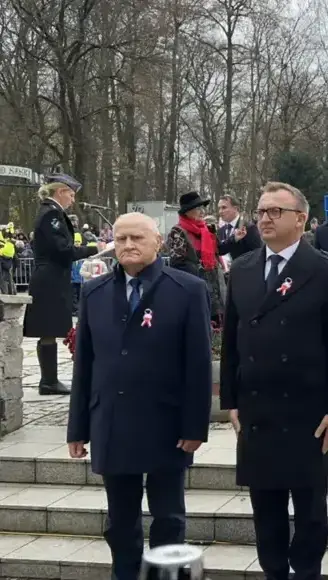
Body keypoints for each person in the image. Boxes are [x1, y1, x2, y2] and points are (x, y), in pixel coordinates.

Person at [220, 181, 328, 580]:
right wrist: (231, 400)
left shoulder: (327, 270)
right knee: (265, 507)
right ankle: (274, 572)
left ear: (300, 219)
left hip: (308, 411)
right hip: (257, 409)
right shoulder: (244, 268)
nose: (264, 218)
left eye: (275, 211)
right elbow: (231, 340)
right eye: (261, 211)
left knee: (311, 509)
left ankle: (307, 572)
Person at [66, 213, 211, 580]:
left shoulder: (187, 290)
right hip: (112, 422)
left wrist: (196, 425)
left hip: (166, 422)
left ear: (157, 242)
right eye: (121, 238)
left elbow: (197, 364)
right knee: (120, 521)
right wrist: (77, 428)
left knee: (168, 517)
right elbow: (85, 365)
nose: (128, 245)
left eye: (137, 238)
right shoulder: (94, 293)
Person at [23, 174, 100, 395]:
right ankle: (48, 381)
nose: (73, 200)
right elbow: (62, 250)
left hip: (52, 277)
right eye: (71, 194)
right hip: (50, 279)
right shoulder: (51, 215)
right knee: (47, 327)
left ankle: (49, 380)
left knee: (49, 329)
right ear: (60, 192)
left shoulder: (51, 213)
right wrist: (94, 248)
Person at [166, 191, 224, 318]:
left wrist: (235, 239)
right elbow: (177, 263)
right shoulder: (178, 231)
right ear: (188, 211)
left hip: (213, 284)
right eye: (198, 208)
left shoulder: (207, 229)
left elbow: (219, 250)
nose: (202, 212)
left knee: (216, 322)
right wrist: (199, 271)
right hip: (194, 285)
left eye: (202, 208)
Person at [216, 194, 261, 262]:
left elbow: (258, 255)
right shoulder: (220, 231)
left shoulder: (249, 228)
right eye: (219, 208)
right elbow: (219, 251)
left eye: (224, 207)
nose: (220, 211)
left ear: (235, 208)